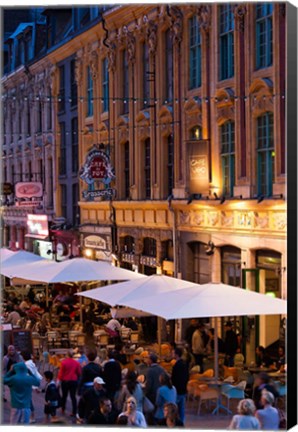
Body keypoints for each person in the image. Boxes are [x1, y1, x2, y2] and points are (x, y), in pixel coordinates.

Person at [57, 348, 82, 417]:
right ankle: (74, 411)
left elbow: (61, 373)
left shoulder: (63, 362)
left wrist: (58, 381)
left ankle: (63, 408)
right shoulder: (76, 363)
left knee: (64, 396)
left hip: (65, 381)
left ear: (67, 355)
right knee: (73, 396)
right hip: (73, 381)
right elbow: (79, 373)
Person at [22, 350, 42, 423]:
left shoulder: (27, 364)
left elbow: (31, 375)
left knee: (28, 401)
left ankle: (31, 417)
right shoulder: (30, 363)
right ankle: (30, 416)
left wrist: (35, 387)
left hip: (27, 385)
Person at [171, 347, 189, 424]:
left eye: (173, 353)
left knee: (175, 408)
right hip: (184, 389)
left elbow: (174, 378)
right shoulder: (184, 364)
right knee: (182, 409)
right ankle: (182, 423)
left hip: (177, 389)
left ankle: (176, 423)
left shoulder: (176, 366)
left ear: (176, 355)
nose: (172, 354)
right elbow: (187, 376)